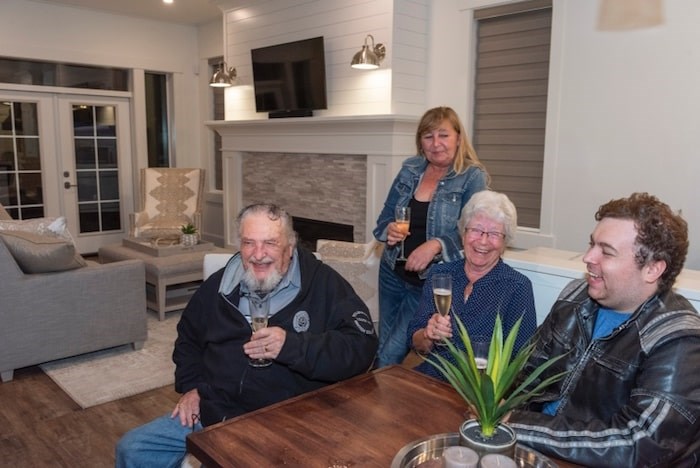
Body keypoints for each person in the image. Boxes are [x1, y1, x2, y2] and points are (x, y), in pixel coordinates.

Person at [115, 203, 378, 467]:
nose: (258, 254)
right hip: (214, 411)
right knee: (133, 449)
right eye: (249, 243)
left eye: (270, 243)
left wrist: (292, 346)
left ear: (290, 246)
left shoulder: (324, 284)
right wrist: (193, 386)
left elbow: (362, 346)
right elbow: (188, 339)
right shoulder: (217, 286)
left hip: (286, 421)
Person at [508, 192, 700, 466]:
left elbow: (639, 443)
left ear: (652, 269)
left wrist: (517, 425)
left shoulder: (680, 340)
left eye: (606, 251)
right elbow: (525, 370)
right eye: (591, 244)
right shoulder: (574, 297)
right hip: (539, 448)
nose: (588, 257)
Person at [373, 106, 489, 367]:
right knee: (383, 343)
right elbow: (384, 217)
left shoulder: (472, 177)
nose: (436, 144)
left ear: (458, 137)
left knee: (392, 351)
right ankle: (385, 399)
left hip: (430, 282)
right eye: (428, 137)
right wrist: (389, 229)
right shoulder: (409, 170)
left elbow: (473, 230)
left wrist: (435, 245)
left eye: (443, 135)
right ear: (420, 143)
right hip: (392, 271)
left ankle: (375, 398)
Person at [407, 190, 537, 380]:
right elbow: (415, 341)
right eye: (475, 230)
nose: (483, 241)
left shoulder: (517, 287)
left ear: (504, 242)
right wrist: (428, 335)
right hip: (433, 379)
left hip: (479, 392)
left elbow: (520, 361)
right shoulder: (440, 274)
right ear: (463, 233)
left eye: (494, 233)